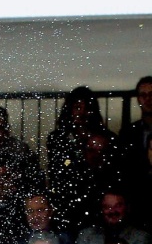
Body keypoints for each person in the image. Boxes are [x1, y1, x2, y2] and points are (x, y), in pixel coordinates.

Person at [47, 86, 118, 233]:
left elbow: (110, 173)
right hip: (66, 205)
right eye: (77, 107)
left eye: (87, 108)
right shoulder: (57, 139)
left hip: (97, 205)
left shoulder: (107, 138)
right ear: (69, 110)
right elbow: (56, 171)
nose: (82, 113)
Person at [117, 76, 152, 210]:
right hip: (138, 203)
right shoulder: (128, 133)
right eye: (143, 95)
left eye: (151, 94)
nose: (148, 99)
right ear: (138, 98)